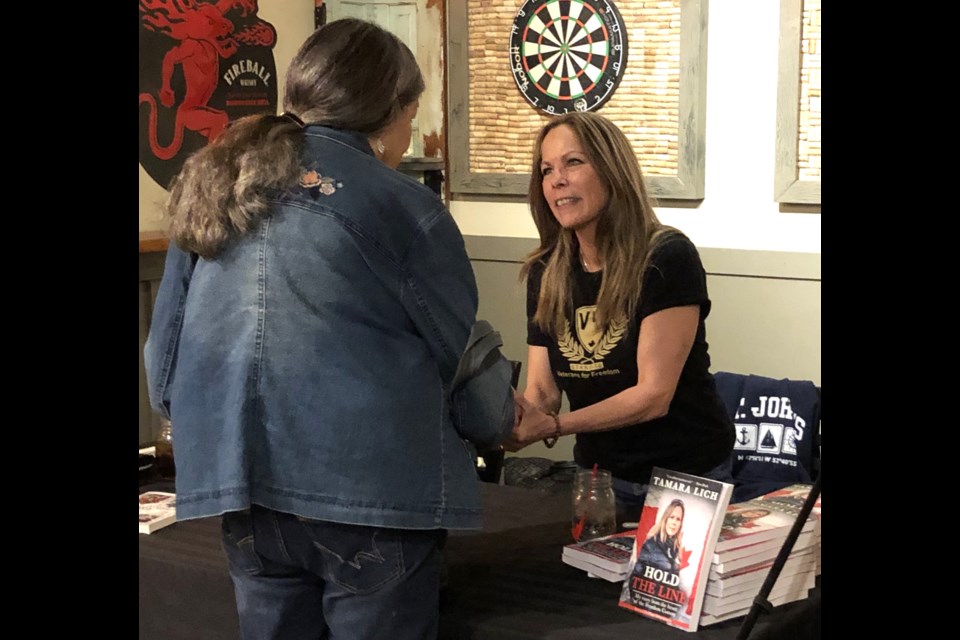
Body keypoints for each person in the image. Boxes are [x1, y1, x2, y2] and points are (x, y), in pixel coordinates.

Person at [144, 18, 517, 640]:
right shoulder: (406, 207)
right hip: (372, 498)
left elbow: (164, 372)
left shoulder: (214, 188)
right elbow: (460, 361)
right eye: (410, 117)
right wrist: (501, 420)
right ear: (392, 111)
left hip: (244, 494)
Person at [505, 111, 735, 528]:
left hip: (684, 480)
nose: (557, 179)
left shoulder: (666, 257)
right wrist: (513, 420)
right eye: (546, 169)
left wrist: (554, 426)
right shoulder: (546, 271)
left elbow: (653, 395)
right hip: (600, 478)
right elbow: (542, 389)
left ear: (612, 170)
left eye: (573, 162)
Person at [636, 498, 686, 573]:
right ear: (665, 519)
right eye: (671, 517)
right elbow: (637, 573)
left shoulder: (674, 549)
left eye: (678, 519)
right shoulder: (651, 545)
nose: (674, 522)